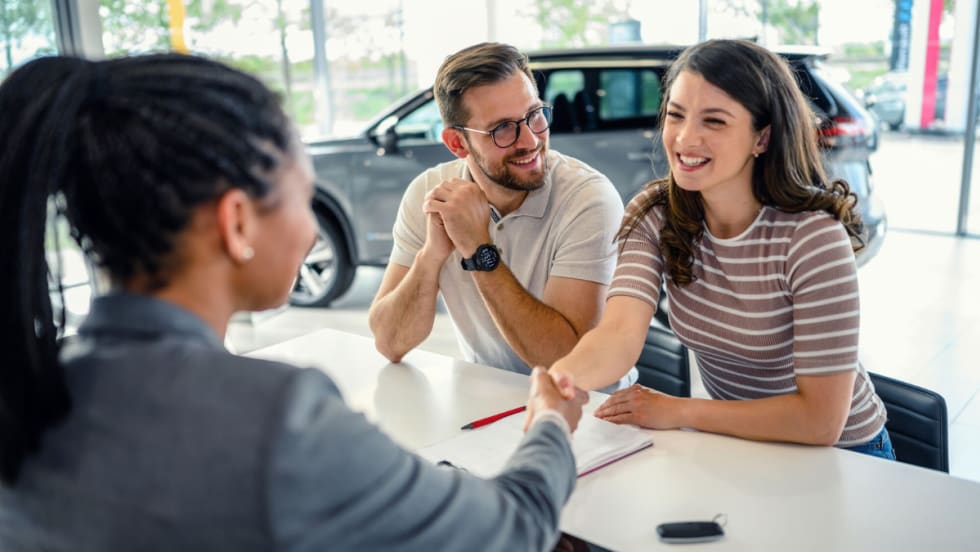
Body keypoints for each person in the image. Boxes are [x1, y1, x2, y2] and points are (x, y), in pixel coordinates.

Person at [0, 53, 589, 551]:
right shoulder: (279, 419)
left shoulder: (33, 390)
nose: (312, 231)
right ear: (236, 223)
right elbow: (514, 528)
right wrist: (548, 428)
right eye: (303, 196)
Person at [545, 39, 894, 459]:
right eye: (676, 115)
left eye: (714, 121)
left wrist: (680, 411)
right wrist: (561, 379)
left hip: (844, 454)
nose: (686, 138)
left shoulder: (812, 237)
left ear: (761, 138)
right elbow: (617, 334)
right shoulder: (656, 211)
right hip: (744, 441)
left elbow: (820, 421)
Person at [368, 42, 636, 390]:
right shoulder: (428, 193)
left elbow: (566, 361)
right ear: (457, 144)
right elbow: (390, 343)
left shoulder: (588, 199)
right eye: (502, 129)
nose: (530, 140)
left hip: (588, 408)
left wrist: (479, 249)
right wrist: (431, 255)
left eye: (534, 115)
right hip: (490, 400)